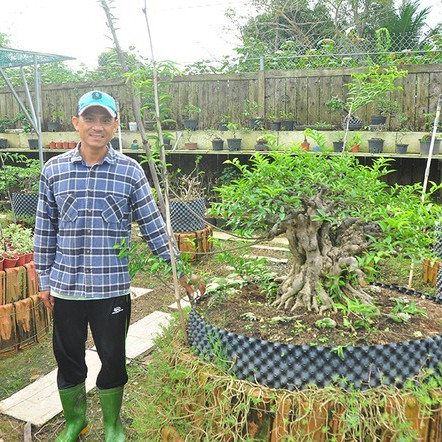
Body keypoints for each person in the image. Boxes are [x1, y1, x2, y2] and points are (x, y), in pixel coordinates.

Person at [34, 90, 204, 442]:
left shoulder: (129, 171)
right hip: (66, 288)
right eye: (90, 119)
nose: (97, 127)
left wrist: (180, 271)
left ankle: (112, 425)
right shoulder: (54, 170)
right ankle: (74, 422)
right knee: (68, 359)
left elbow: (154, 226)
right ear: (76, 123)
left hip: (110, 288)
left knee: (113, 358)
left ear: (114, 125)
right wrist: (44, 280)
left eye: (105, 120)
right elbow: (44, 229)